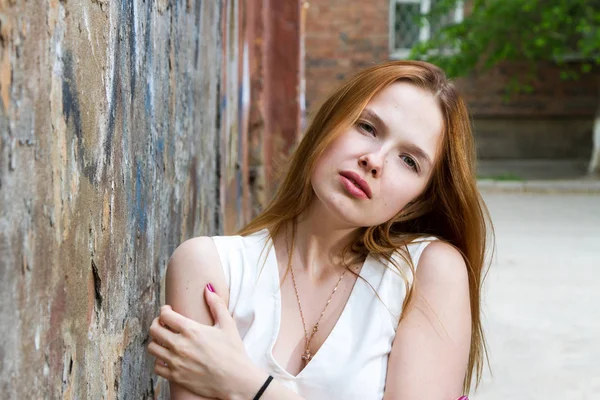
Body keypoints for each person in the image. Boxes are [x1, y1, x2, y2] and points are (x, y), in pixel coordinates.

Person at [147, 60, 491, 400]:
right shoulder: (212, 268)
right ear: (330, 122)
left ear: (421, 196)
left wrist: (246, 384)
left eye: (409, 161)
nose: (374, 160)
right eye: (367, 127)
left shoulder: (425, 274)